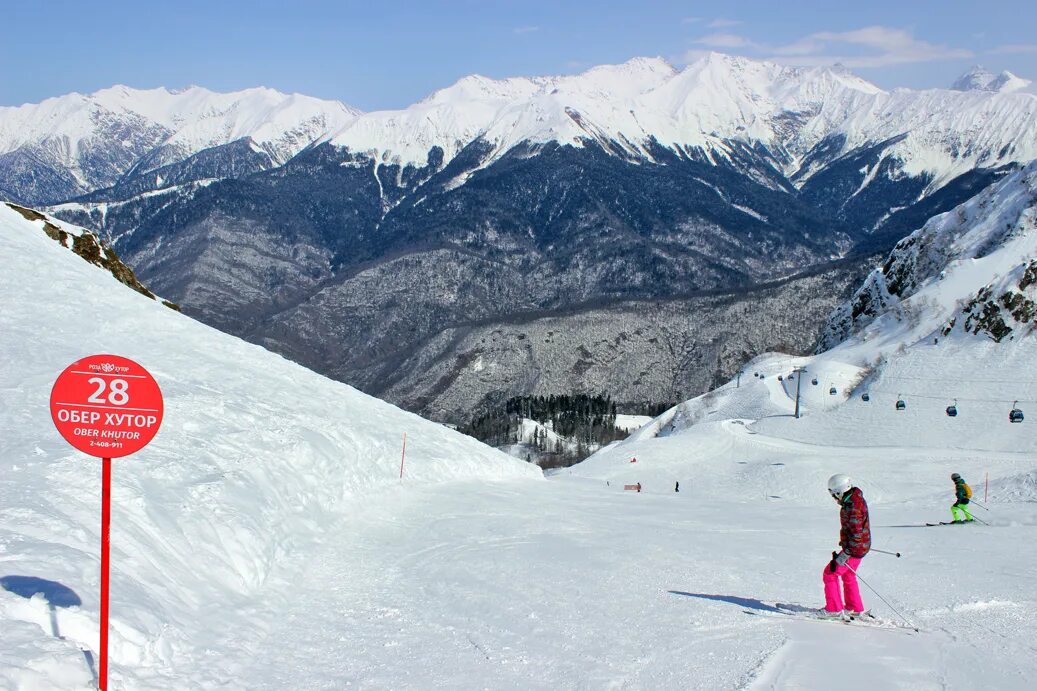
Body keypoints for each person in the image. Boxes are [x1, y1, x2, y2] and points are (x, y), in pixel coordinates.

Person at [821, 474, 870, 617]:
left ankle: (834, 609)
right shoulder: (856, 499)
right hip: (859, 547)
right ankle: (854, 607)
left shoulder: (852, 506)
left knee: (830, 573)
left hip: (854, 549)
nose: (834, 499)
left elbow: (856, 533)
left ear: (839, 492)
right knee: (848, 574)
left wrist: (846, 553)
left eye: (834, 495)